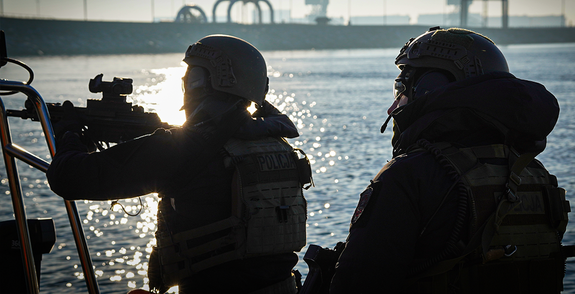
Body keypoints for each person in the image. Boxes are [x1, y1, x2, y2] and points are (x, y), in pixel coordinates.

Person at [47, 35, 312, 294]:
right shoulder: (276, 143)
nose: (186, 84)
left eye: (192, 77)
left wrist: (70, 136)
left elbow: (67, 177)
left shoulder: (184, 148)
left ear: (206, 82)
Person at [328, 27, 571, 293]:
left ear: (430, 88)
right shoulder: (535, 173)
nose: (394, 106)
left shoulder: (409, 175)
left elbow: (356, 283)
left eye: (401, 88)